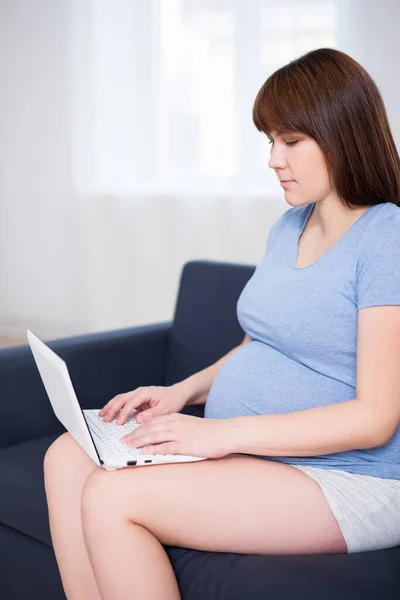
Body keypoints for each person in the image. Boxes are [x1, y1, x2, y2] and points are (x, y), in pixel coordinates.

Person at [44, 47, 400, 600]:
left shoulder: (387, 238)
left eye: (291, 142)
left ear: (342, 133)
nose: (273, 160)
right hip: (262, 453)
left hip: (352, 476)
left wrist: (218, 435)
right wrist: (180, 392)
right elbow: (259, 343)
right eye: (270, 141)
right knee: (67, 455)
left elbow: (376, 418)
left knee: (112, 497)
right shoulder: (290, 226)